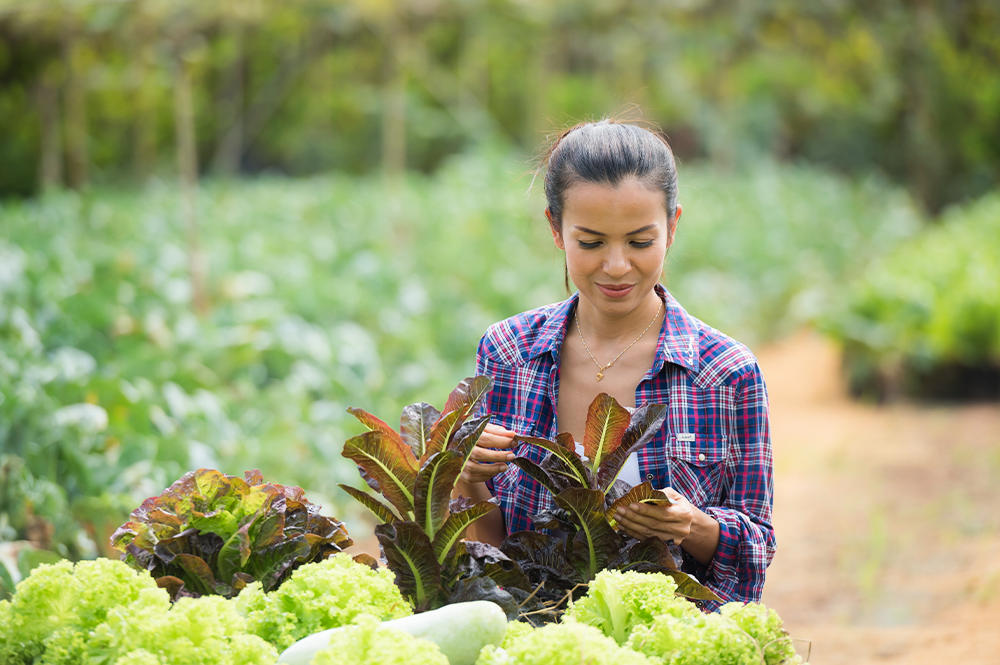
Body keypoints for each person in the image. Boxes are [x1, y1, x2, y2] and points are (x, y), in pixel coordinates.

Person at [454, 119, 774, 605]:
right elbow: (493, 554)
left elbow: (757, 548)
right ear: (556, 229)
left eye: (641, 242)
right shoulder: (508, 353)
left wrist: (692, 525)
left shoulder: (725, 373)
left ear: (673, 226)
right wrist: (469, 477)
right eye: (592, 242)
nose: (618, 265)